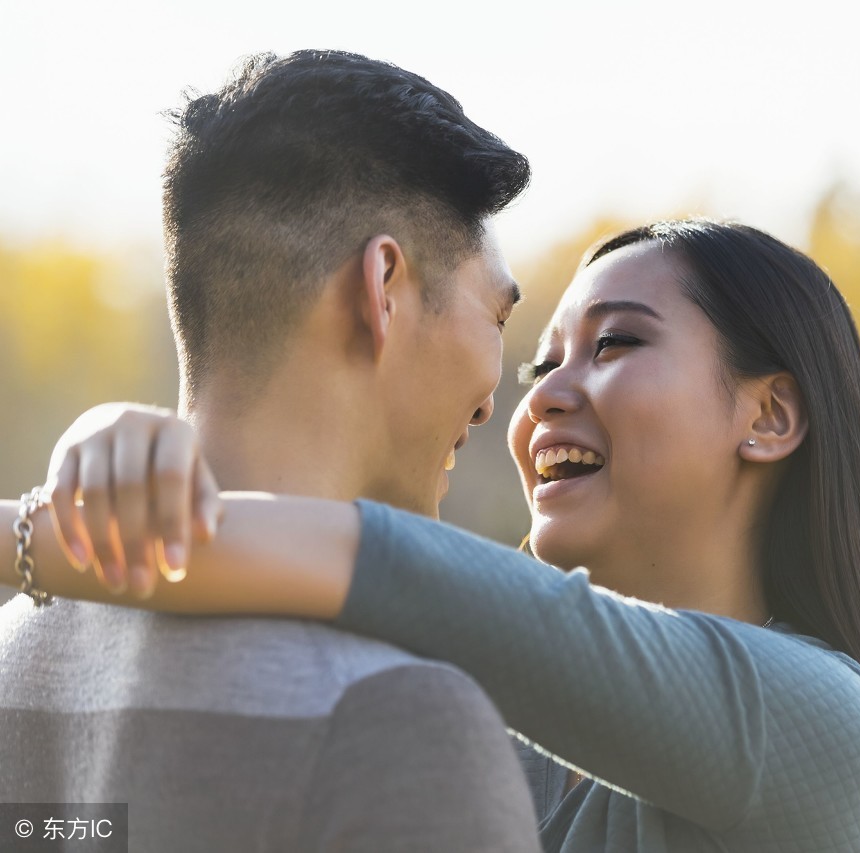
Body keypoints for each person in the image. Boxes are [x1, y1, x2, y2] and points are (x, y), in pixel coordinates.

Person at [8, 221, 860, 851]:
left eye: (614, 344)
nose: (545, 398)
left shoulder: (819, 721)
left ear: (768, 417)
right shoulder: (478, 726)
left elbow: (382, 565)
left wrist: (25, 535)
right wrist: (114, 445)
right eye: (538, 365)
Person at [0, 49, 543, 852]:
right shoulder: (402, 716)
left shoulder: (13, 653)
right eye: (497, 319)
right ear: (384, 287)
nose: (498, 399)